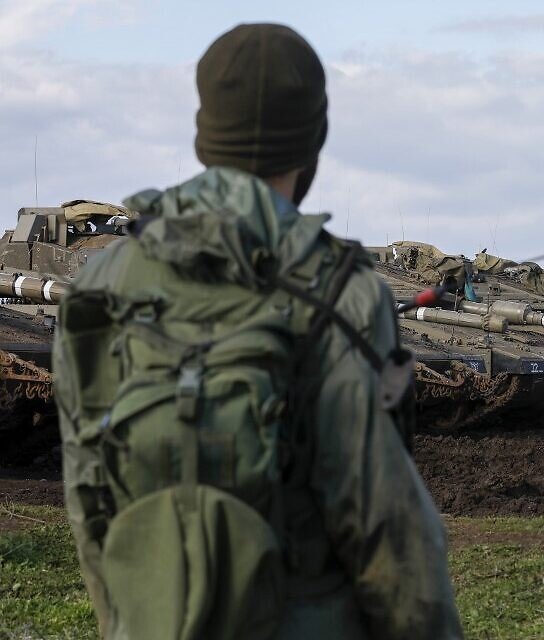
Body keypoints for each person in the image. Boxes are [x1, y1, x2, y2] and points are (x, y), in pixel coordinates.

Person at [54, 23, 464, 639]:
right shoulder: (343, 292)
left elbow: (89, 501)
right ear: (313, 141)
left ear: (205, 135)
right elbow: (386, 528)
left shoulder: (100, 286)